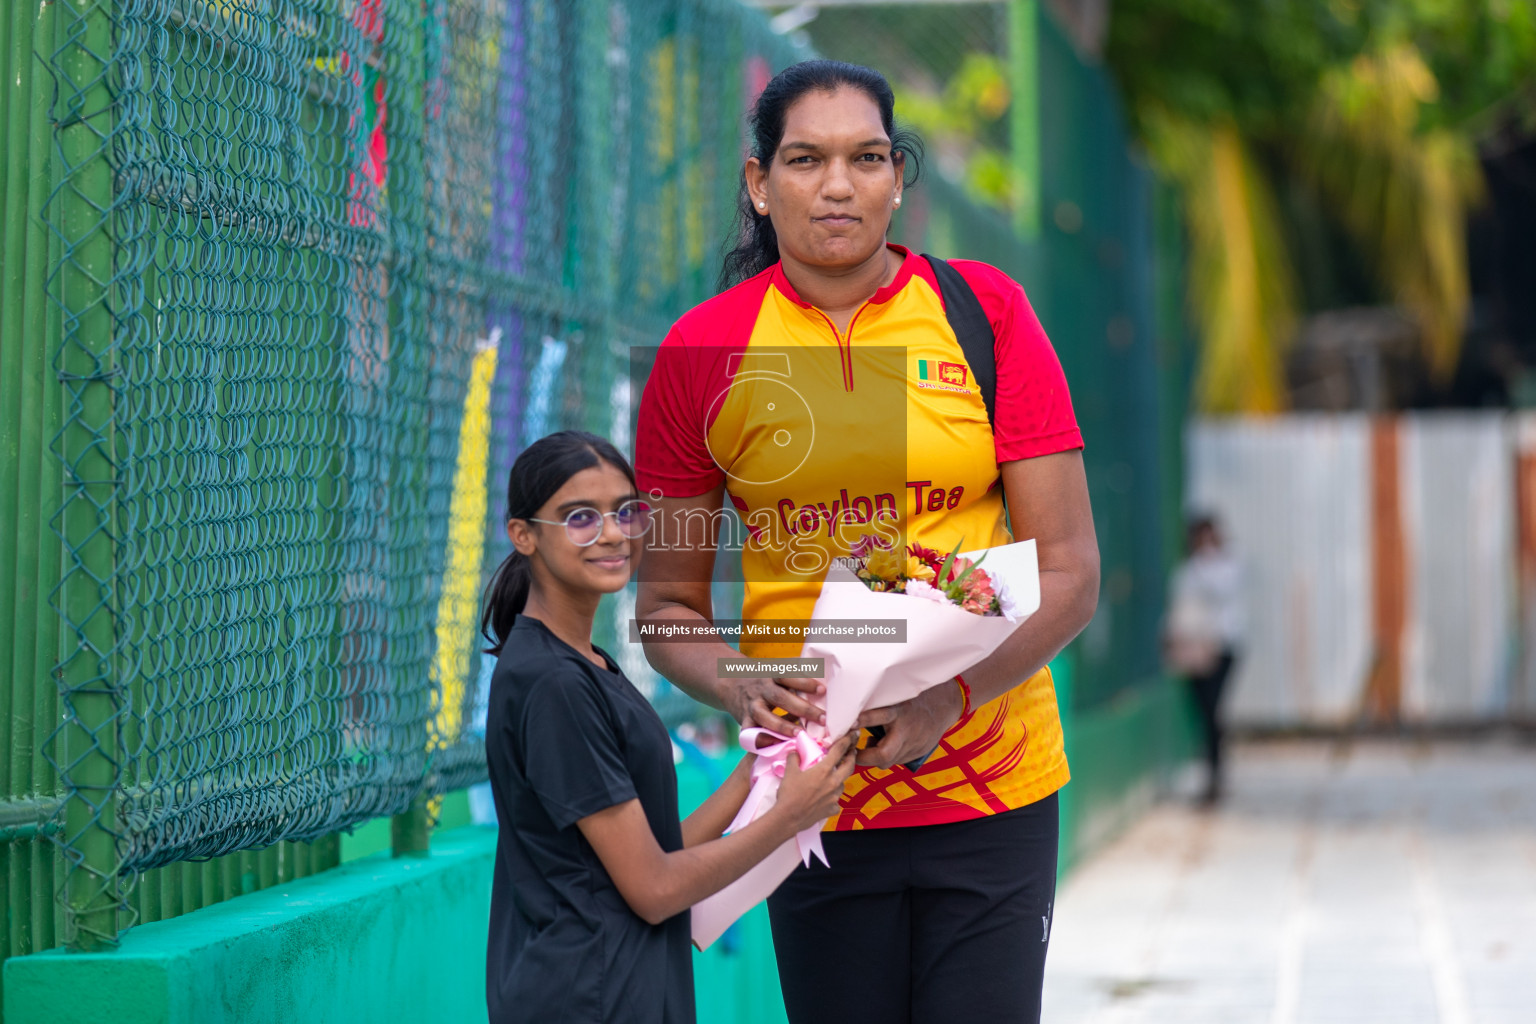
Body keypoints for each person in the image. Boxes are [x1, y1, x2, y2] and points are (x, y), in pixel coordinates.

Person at [634, 61, 1100, 1024]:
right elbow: (666, 608)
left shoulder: (989, 317)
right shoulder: (697, 357)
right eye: (805, 160)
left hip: (994, 783)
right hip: (811, 805)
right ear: (759, 185)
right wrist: (738, 684)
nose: (838, 185)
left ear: (899, 177)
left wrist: (948, 699)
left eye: (866, 158)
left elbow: (1070, 571)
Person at [480, 430, 858, 1024]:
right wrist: (790, 817)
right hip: (588, 997)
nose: (611, 533)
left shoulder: (584, 663)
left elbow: (654, 851)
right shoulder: (553, 683)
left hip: (620, 986)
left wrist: (765, 762)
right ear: (523, 534)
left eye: (625, 512)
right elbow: (653, 888)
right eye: (579, 517)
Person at [1164, 513, 1245, 805]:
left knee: (1213, 711)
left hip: (1222, 647)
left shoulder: (1226, 564)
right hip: (1194, 648)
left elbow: (1220, 591)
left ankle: (1216, 775)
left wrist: (1207, 558)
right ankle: (1210, 772)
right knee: (1202, 712)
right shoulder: (1187, 569)